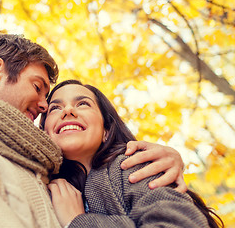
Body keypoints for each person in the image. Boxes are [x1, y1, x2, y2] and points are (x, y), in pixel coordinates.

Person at [0, 33, 184, 227]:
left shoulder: (51, 175)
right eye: (40, 90)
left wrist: (168, 159)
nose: (43, 106)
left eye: (82, 105)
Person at [40, 79, 224, 228]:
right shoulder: (43, 181)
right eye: (55, 108)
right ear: (44, 129)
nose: (68, 110)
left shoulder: (133, 167)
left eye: (83, 104)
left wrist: (78, 222)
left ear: (106, 131)